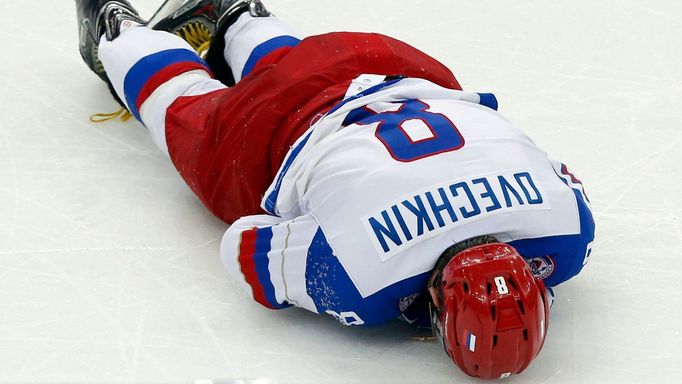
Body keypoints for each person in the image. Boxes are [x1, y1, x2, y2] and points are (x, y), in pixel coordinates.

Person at [74, 0, 595, 379]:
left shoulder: (570, 235)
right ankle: (118, 31)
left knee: (301, 69)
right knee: (193, 122)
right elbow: (246, 248)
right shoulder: (359, 281)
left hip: (394, 64)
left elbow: (552, 169)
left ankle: (243, 18)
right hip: (285, 119)